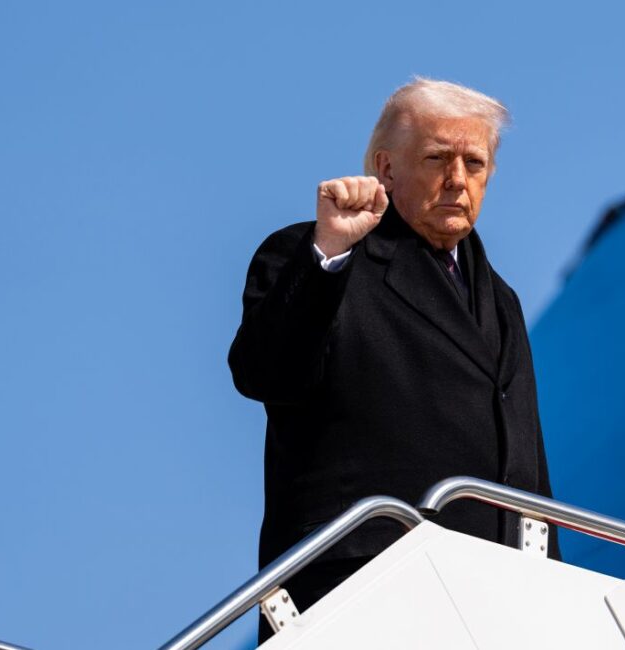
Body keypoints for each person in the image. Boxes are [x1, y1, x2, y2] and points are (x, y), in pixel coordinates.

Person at [228, 78, 561, 632]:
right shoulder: (319, 255)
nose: (458, 179)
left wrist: (550, 585)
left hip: (498, 592)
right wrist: (328, 254)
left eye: (474, 164)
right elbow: (264, 372)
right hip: (364, 577)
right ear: (385, 169)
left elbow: (527, 464)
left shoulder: (501, 301)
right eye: (437, 158)